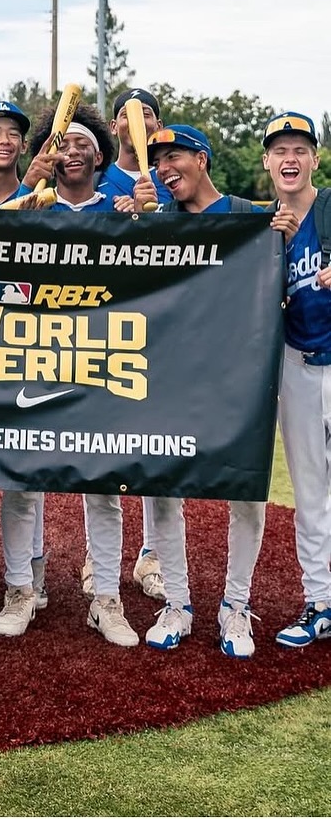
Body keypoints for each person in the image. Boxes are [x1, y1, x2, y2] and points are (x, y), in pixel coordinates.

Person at [138, 125, 276, 656]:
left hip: (238, 378)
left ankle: (235, 606)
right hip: (169, 376)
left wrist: (281, 230)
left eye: (174, 157)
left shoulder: (248, 216)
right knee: (162, 488)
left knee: (246, 492)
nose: (165, 168)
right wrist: (133, 225)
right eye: (158, 161)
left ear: (202, 158)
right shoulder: (158, 221)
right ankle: (177, 600)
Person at [17, 105, 140, 647]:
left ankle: (107, 597)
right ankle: (21, 589)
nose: (72, 151)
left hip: (101, 356)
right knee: (24, 481)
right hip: (35, 356)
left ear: (100, 155)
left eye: (83, 143)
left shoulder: (119, 210)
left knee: (104, 485)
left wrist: (145, 219)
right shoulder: (28, 209)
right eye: (62, 143)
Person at [259, 111, 331, 649]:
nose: (290, 158)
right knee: (310, 494)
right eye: (280, 150)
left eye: (300, 149)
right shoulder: (266, 227)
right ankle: (320, 603)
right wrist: (273, 249)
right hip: (298, 367)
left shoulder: (330, 207)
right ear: (267, 162)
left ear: (315, 158)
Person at [97, 87, 172, 206]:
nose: (137, 122)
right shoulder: (95, 180)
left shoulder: (171, 178)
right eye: (126, 115)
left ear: (159, 126)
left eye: (146, 114)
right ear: (113, 127)